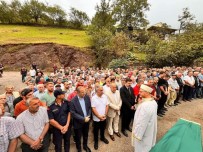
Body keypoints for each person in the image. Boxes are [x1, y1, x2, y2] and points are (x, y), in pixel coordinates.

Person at [132, 84, 157, 152]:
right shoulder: (153, 101)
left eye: (141, 91)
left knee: (141, 148)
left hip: (143, 133)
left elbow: (142, 122)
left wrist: (137, 134)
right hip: (149, 130)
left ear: (147, 92)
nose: (139, 93)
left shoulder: (145, 105)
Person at [70, 86, 91, 152]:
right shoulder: (73, 101)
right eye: (82, 92)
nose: (84, 93)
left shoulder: (87, 97)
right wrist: (83, 119)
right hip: (78, 122)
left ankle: (85, 146)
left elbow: (89, 108)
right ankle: (79, 148)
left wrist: (88, 116)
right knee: (78, 137)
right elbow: (73, 113)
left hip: (87, 121)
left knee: (86, 135)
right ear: (77, 93)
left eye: (84, 91)